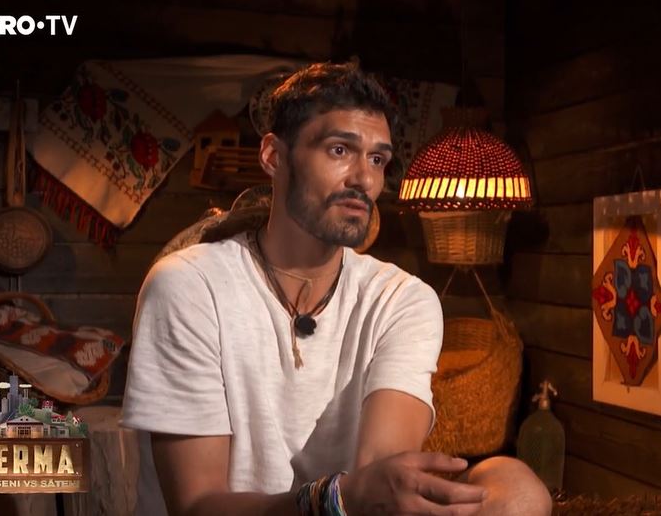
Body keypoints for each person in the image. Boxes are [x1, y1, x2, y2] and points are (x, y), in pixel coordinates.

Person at [121, 62, 551, 516]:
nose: (364, 179)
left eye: (378, 159)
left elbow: (380, 478)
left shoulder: (401, 299)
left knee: (517, 487)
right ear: (274, 156)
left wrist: (373, 495)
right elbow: (197, 506)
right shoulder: (189, 285)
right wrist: (335, 499)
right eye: (340, 150)